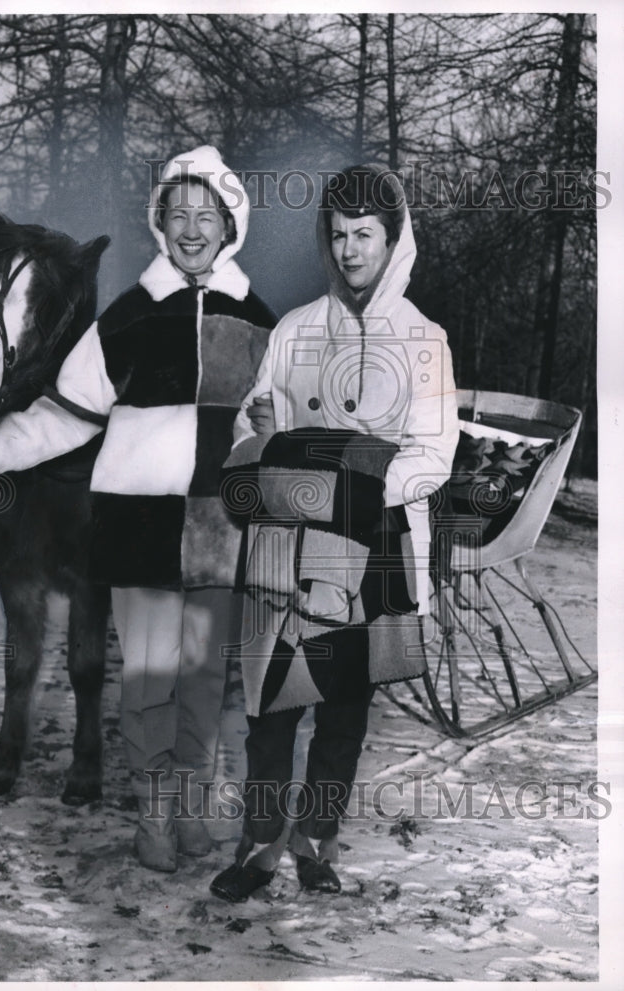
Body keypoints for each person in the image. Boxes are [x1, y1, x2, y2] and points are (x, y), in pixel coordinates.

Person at [0, 145, 276, 872]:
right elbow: (68, 412)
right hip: (137, 530)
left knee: (201, 681)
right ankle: (154, 817)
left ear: (231, 225)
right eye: (178, 213)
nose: (192, 228)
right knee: (148, 683)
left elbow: (277, 424)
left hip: (219, 535)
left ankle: (192, 805)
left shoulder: (261, 322)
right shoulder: (129, 315)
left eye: (208, 214)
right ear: (161, 222)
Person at [210, 164, 460, 902]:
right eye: (339, 235)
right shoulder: (294, 328)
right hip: (282, 550)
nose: (349, 251)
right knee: (268, 712)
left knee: (343, 713)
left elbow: (433, 454)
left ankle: (316, 843)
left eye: (365, 236)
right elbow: (250, 428)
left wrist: (353, 485)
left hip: (369, 551)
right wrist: (266, 433)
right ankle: (258, 847)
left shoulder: (423, 339)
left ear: (394, 241)